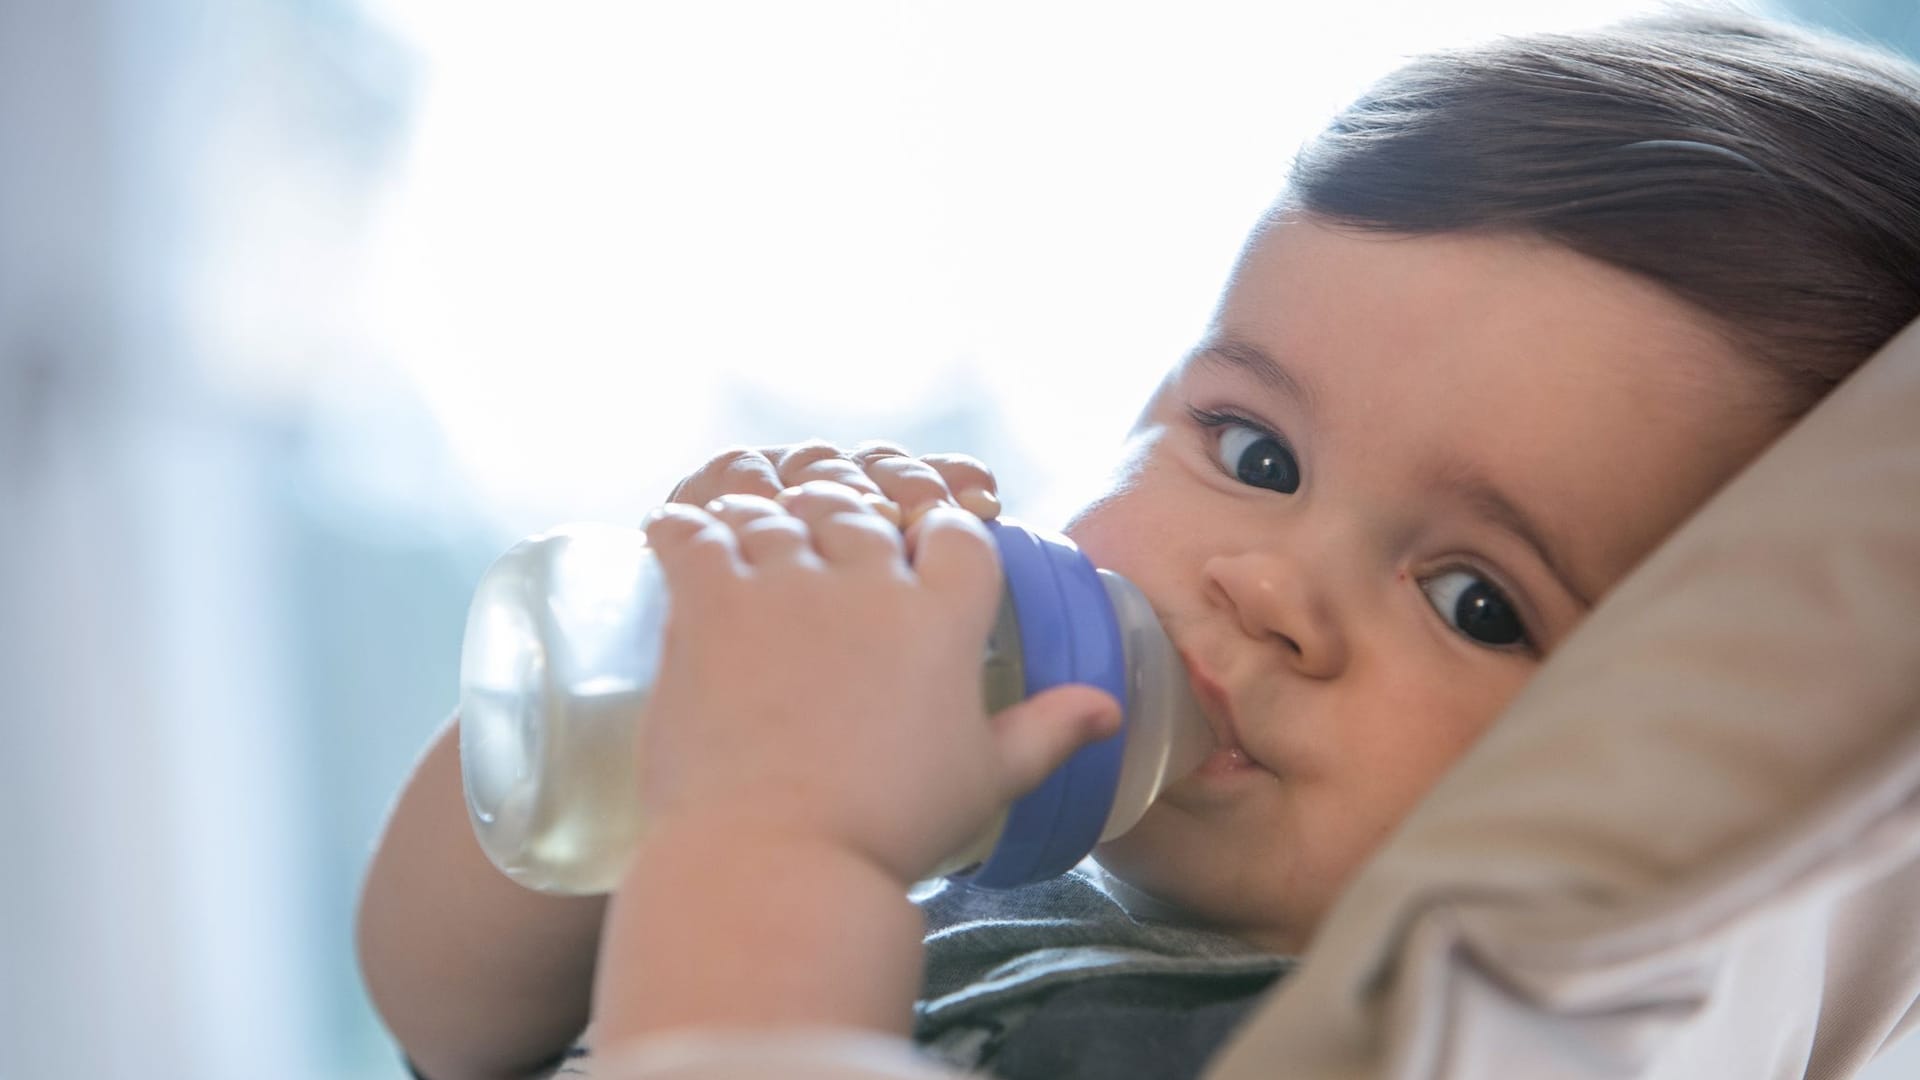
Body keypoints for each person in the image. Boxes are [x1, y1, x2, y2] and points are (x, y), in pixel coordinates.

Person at [355, 9, 1920, 1080]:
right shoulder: (976, 855)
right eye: (1255, 451)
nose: (1269, 588)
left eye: (1476, 600)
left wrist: (778, 838)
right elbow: (449, 1006)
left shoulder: (1400, 1045)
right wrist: (676, 709)